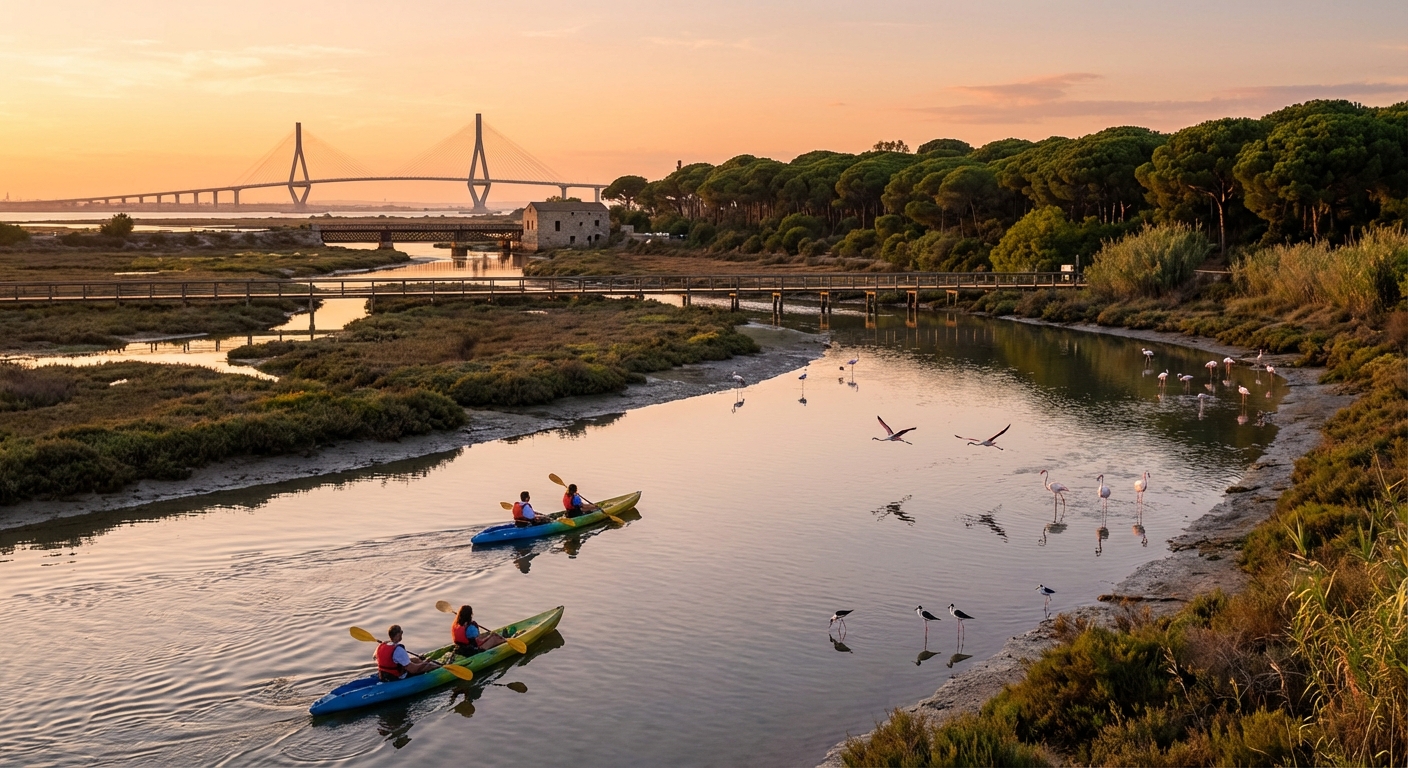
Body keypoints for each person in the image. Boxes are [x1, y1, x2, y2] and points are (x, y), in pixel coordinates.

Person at [375, 625, 441, 682]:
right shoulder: (398, 650)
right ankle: (442, 668)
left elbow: (376, 657)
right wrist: (426, 662)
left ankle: (429, 664)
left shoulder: (380, 646)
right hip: (396, 677)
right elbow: (413, 670)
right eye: (401, 632)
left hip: (383, 676)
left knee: (416, 660)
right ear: (398, 635)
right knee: (428, 665)